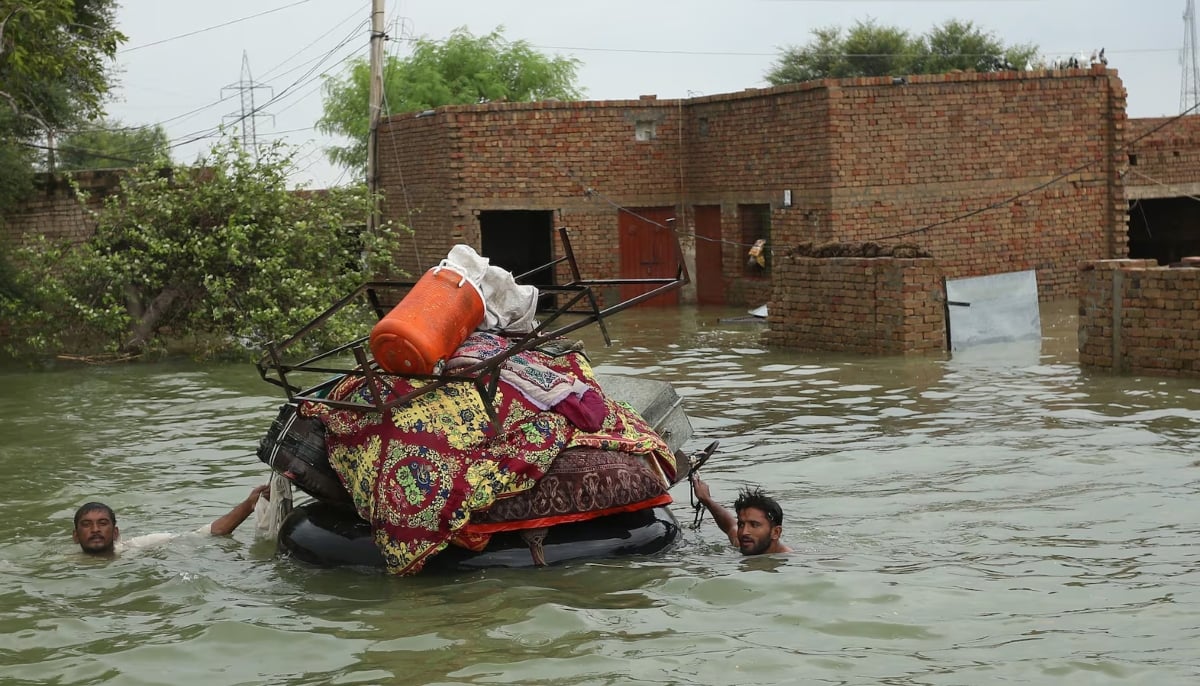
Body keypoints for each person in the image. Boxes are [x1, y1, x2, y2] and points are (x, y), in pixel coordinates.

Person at [72, 485, 269, 556]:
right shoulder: (64, 565)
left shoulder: (136, 548)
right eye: (87, 525)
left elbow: (206, 534)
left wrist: (249, 504)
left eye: (103, 523)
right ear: (76, 536)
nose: (95, 529)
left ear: (115, 533)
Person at [691, 476, 792, 555]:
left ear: (775, 532)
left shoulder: (790, 562)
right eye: (741, 524)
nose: (744, 532)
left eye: (754, 525)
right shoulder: (749, 543)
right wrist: (706, 500)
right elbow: (730, 527)